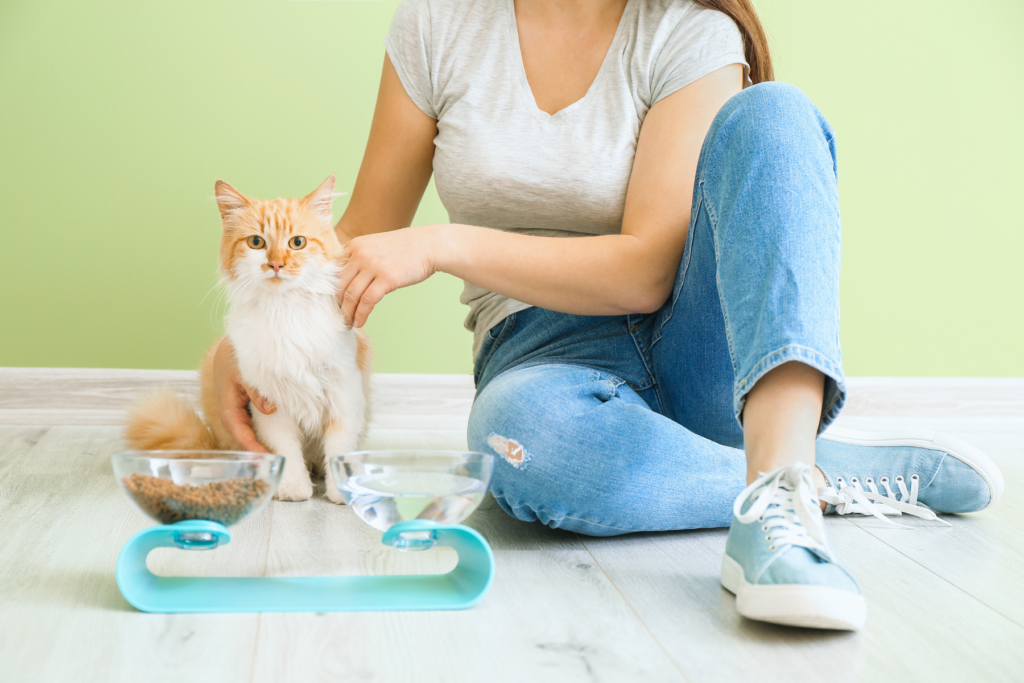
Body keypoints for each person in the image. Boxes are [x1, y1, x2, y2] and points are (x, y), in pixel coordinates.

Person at [212, 0, 1003, 631]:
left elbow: (648, 271)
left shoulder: (690, 32)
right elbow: (357, 247)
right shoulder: (437, 24)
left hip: (698, 344)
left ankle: (781, 497)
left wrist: (446, 242)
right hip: (539, 350)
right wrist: (239, 350)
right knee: (522, 441)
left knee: (777, 114)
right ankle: (807, 477)